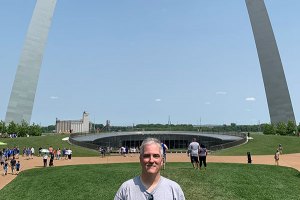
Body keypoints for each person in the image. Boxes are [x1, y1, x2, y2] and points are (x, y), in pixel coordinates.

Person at [114, 138, 185, 200]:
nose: (151, 160)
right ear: (140, 159)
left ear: (162, 161)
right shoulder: (126, 189)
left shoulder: (174, 189)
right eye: (146, 156)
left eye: (156, 156)